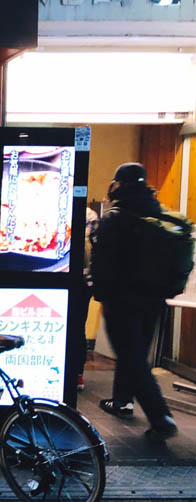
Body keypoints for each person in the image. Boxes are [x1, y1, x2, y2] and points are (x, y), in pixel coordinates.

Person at [90, 162, 177, 441]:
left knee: (131, 356)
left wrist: (100, 293)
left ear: (119, 184)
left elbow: (102, 260)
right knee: (136, 354)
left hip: (122, 300)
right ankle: (121, 400)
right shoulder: (157, 212)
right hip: (153, 299)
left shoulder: (116, 218)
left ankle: (160, 416)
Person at [77, 206, 99, 391]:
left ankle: (75, 373)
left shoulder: (88, 215)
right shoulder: (90, 215)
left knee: (74, 327)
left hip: (73, 280)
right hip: (84, 282)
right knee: (78, 327)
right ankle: (77, 374)